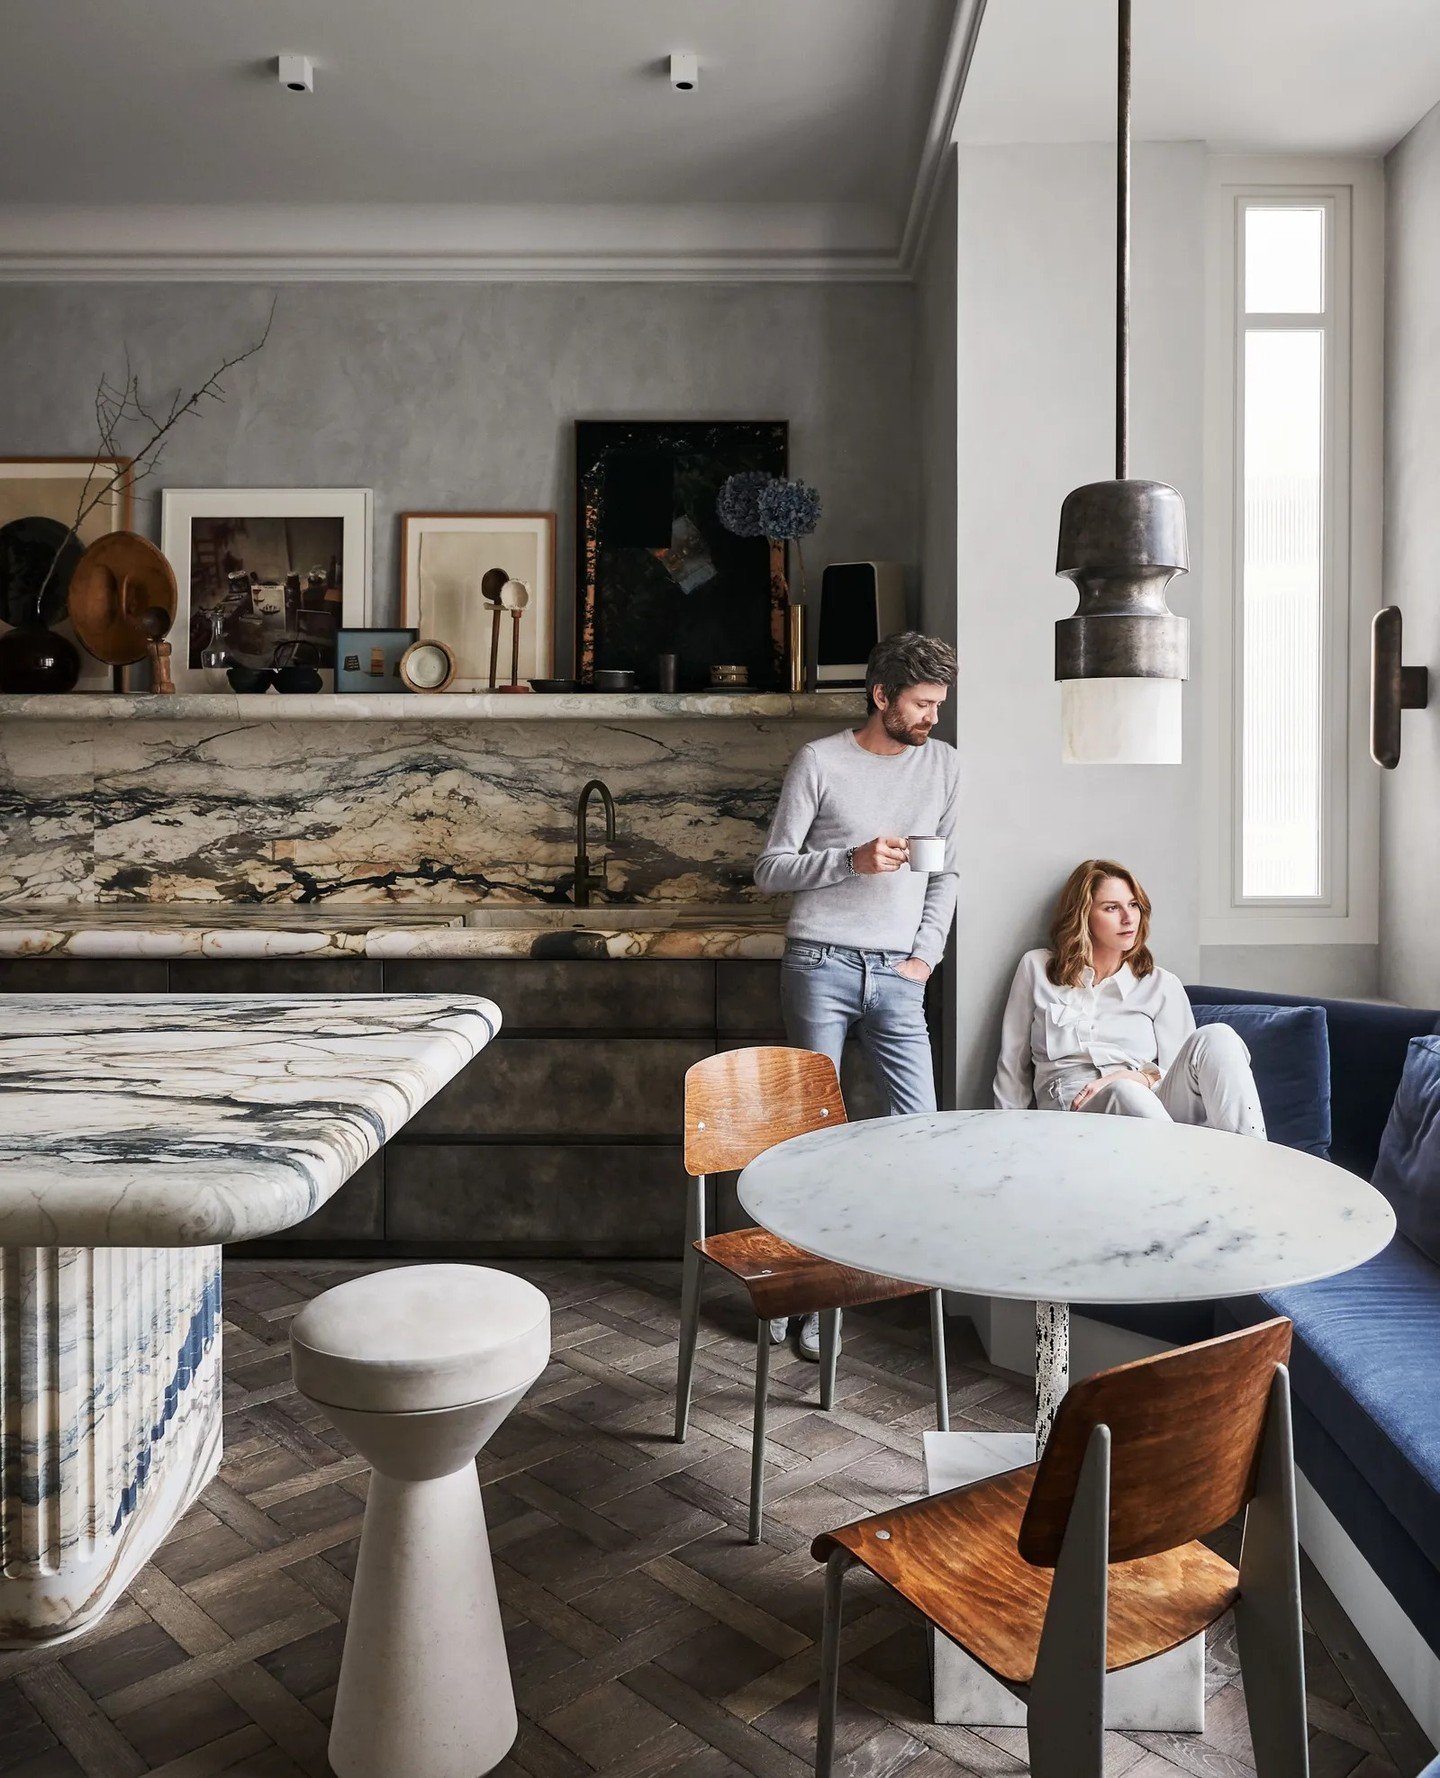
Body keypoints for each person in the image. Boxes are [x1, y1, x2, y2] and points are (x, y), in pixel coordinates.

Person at [753, 630, 960, 1357]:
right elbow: (770, 869)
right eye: (922, 703)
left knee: (918, 1134)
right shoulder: (820, 762)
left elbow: (946, 875)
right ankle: (801, 1295)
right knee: (807, 1142)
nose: (932, 716)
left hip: (900, 977)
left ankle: (871, 1279)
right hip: (819, 965)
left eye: (938, 703)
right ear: (881, 697)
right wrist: (851, 860)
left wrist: (925, 960)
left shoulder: (944, 767)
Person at [993, 858, 1267, 1137]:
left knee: (1218, 1036)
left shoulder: (1161, 985)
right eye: (1112, 908)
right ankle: (1186, 1166)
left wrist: (1134, 1077)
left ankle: (1248, 1162)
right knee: (1124, 1092)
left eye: (1133, 905)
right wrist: (1008, 1143)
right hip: (1074, 1119)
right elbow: (1011, 1069)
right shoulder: (1036, 968)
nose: (1128, 918)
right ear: (1082, 915)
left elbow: (1175, 1074)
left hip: (1154, 1114)